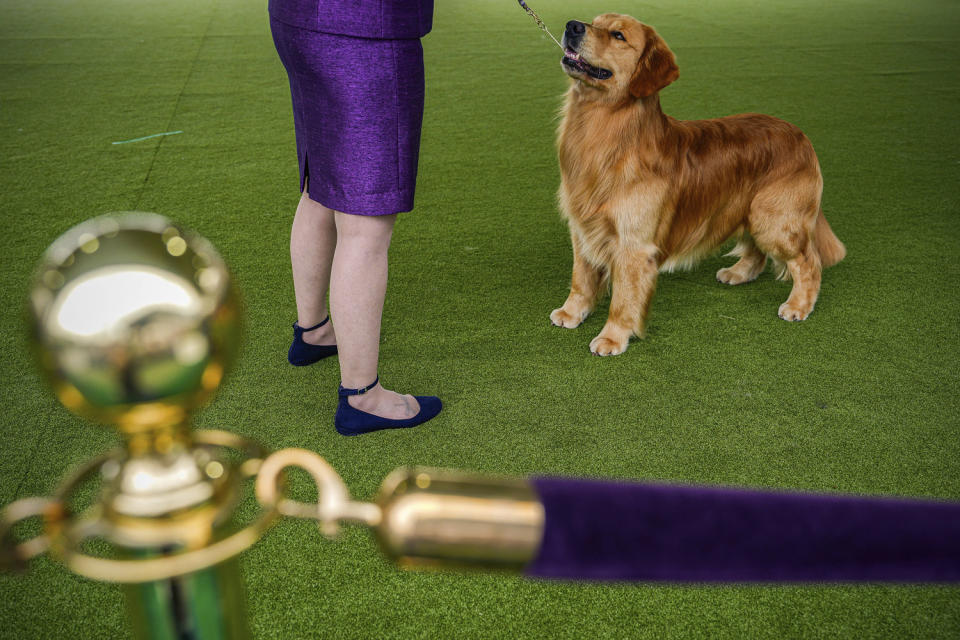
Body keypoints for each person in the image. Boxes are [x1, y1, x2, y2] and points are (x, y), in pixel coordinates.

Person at [269, 0, 441, 436]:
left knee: (320, 186)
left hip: (300, 21)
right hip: (365, 32)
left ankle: (312, 332)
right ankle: (362, 396)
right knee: (366, 223)